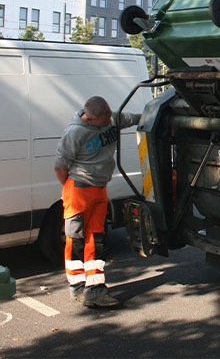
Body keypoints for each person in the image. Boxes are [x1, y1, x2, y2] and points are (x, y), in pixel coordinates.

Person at [54, 96, 141, 308]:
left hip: (99, 189)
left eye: (109, 117)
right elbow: (60, 166)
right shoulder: (75, 133)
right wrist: (70, 187)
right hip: (78, 190)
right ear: (91, 118)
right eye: (103, 120)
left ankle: (93, 289)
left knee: (96, 239)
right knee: (75, 240)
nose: (108, 122)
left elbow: (135, 118)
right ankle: (78, 285)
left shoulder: (111, 119)